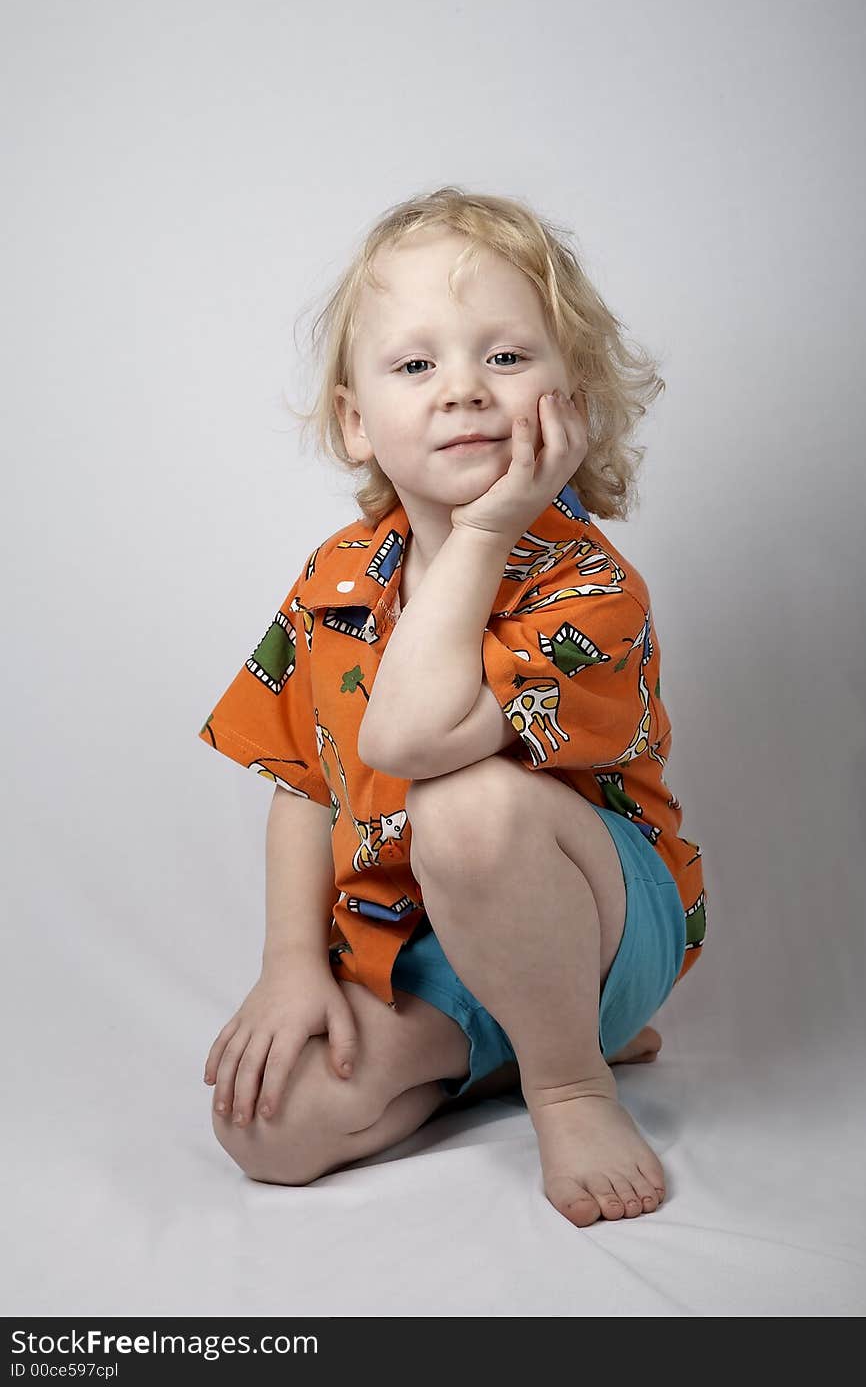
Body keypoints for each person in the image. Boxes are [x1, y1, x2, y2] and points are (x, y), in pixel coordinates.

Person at [199, 186, 708, 1227]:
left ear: (574, 396)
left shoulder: (585, 593)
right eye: (415, 363)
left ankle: (568, 1077)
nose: (463, 390)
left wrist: (482, 536)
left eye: (507, 358)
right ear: (354, 421)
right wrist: (293, 964)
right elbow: (304, 780)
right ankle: (486, 1050)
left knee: (465, 803)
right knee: (265, 1128)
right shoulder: (336, 582)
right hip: (425, 948)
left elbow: (410, 739)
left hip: (598, 928)